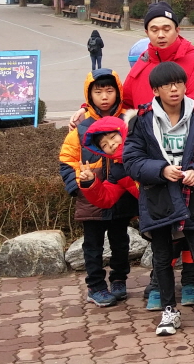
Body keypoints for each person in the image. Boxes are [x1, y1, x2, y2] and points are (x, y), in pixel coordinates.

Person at [123, 61, 194, 336]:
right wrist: (161, 170)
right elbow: (131, 160)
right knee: (162, 257)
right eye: (167, 85)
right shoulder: (141, 119)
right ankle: (169, 311)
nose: (174, 89)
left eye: (179, 83)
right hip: (158, 197)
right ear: (155, 90)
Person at [58, 69, 135, 308]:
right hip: (91, 195)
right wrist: (79, 186)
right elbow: (67, 160)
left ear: (118, 92)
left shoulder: (128, 120)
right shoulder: (81, 128)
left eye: (109, 91)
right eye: (98, 92)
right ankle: (96, 286)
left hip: (121, 194)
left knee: (120, 241)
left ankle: (119, 279)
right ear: (89, 95)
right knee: (92, 246)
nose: (104, 96)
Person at [122, 2, 194, 110]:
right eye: (154, 30)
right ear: (147, 33)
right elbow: (125, 104)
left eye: (166, 29)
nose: (161, 35)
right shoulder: (142, 63)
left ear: (177, 30)